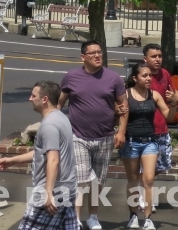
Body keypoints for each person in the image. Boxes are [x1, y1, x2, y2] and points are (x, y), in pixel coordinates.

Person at [59, 41, 127, 230]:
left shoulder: (113, 78)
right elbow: (59, 104)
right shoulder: (71, 77)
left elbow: (123, 107)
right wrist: (55, 126)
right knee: (81, 180)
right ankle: (75, 219)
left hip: (105, 136)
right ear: (83, 57)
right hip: (78, 136)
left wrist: (121, 131)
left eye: (99, 52)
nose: (97, 56)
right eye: (93, 53)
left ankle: (93, 217)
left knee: (97, 181)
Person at [0, 81, 78, 230]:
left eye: (33, 96)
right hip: (68, 190)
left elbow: (53, 160)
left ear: (45, 99)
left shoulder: (49, 126)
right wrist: (12, 161)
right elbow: (42, 152)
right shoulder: (61, 117)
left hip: (52, 193)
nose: (30, 99)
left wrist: (48, 193)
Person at [120, 62, 176, 230]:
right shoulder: (126, 94)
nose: (148, 78)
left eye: (150, 75)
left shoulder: (154, 95)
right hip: (131, 142)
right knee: (133, 179)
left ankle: (148, 218)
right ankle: (133, 215)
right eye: (144, 75)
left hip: (150, 142)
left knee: (149, 180)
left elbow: (169, 117)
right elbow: (118, 116)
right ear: (135, 78)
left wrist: (173, 104)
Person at [139, 44, 178, 181]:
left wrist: (175, 102)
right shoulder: (140, 77)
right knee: (144, 170)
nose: (157, 59)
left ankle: (145, 189)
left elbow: (173, 94)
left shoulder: (165, 74)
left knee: (160, 167)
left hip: (161, 129)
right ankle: (144, 192)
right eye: (153, 56)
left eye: (160, 56)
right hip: (144, 131)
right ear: (145, 58)